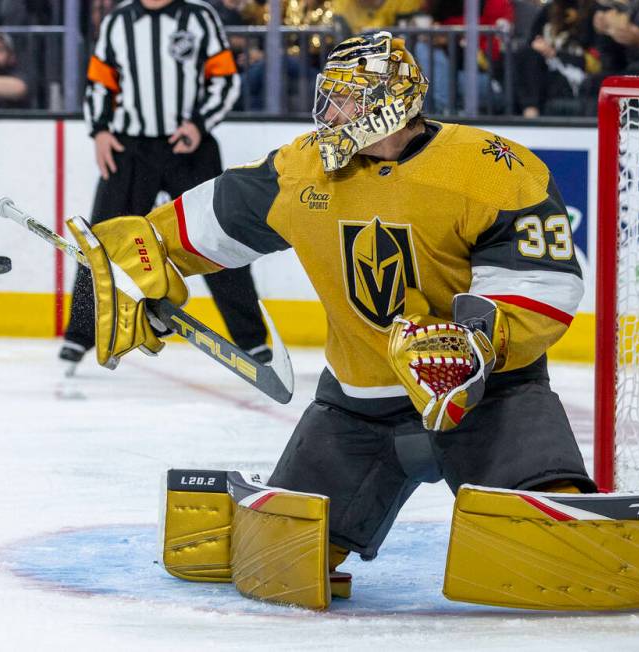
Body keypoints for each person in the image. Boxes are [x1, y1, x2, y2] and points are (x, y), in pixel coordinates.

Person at [66, 31, 595, 597]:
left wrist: (475, 346)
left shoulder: (488, 167)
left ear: (393, 102)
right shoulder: (305, 171)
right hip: (358, 402)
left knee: (561, 538)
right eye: (330, 96)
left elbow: (541, 280)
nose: (330, 112)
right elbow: (208, 221)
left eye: (347, 98)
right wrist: (140, 257)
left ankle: (565, 508)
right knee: (276, 563)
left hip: (488, 397)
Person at [61, 0, 269, 372]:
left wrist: (198, 125)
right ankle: (80, 335)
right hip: (129, 148)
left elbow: (225, 79)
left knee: (219, 235)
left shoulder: (199, 17)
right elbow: (99, 83)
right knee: (104, 237)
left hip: (188, 146)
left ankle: (251, 339)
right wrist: (100, 131)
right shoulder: (117, 22)